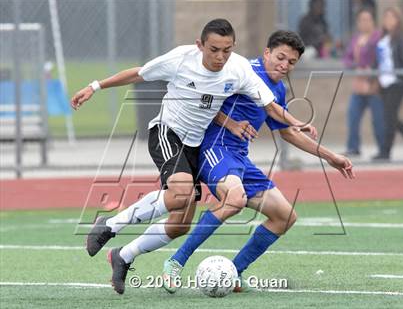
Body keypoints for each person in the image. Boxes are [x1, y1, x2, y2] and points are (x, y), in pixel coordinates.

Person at [70, 19, 315, 295]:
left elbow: (269, 106)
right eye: (214, 50)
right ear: (200, 45)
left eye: (227, 50)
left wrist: (296, 122)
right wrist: (95, 86)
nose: (220, 57)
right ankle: (109, 225)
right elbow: (139, 73)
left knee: (180, 224)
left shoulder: (239, 69)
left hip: (196, 144)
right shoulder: (181, 58)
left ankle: (123, 256)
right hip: (168, 132)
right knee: (181, 194)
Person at [161, 30, 355, 294]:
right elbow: (201, 97)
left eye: (291, 62)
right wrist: (227, 122)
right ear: (267, 53)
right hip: (214, 149)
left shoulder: (277, 88)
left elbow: (287, 133)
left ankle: (233, 272)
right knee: (235, 199)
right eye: (280, 57)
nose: (284, 65)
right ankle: (176, 261)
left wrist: (331, 156)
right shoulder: (241, 70)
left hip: (239, 158)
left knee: (284, 216)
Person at [375, 7, 403, 160]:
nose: (388, 20)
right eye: (386, 17)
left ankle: (385, 152)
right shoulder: (383, 38)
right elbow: (381, 62)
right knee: (390, 118)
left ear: (398, 20)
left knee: (390, 117)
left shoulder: (401, 38)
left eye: (392, 17)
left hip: (398, 82)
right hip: (385, 84)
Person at [343, 9, 384, 157]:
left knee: (378, 120)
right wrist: (355, 66)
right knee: (352, 116)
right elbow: (346, 58)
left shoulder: (378, 37)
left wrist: (371, 71)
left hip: (373, 85)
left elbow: (381, 58)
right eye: (361, 20)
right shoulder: (355, 39)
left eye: (367, 19)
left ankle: (383, 149)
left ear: (373, 21)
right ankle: (353, 147)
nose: (364, 23)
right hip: (358, 85)